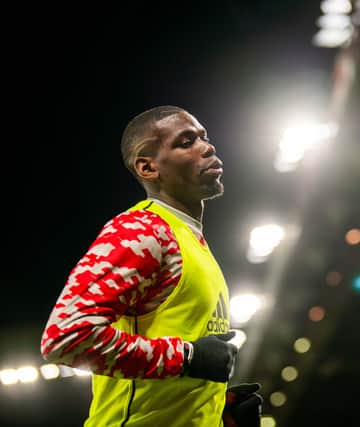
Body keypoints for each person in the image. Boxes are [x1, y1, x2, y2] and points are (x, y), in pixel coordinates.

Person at [40, 105, 262, 426]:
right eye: (186, 142)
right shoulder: (142, 230)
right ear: (148, 168)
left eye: (204, 137)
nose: (208, 147)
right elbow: (65, 339)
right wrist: (186, 357)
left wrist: (215, 412)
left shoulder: (190, 239)